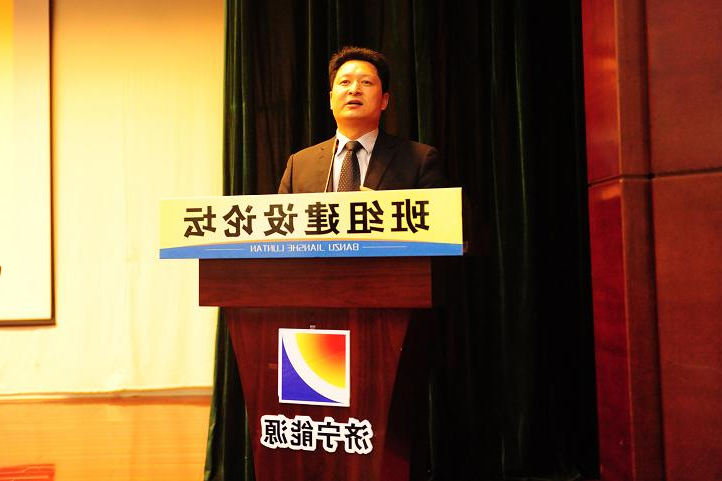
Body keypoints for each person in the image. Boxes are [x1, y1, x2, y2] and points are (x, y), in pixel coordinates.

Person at [278, 46, 445, 193]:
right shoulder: (299, 165)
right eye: (345, 82)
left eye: (366, 82)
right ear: (331, 99)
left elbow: (438, 218)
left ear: (384, 100)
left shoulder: (418, 160)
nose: (354, 90)